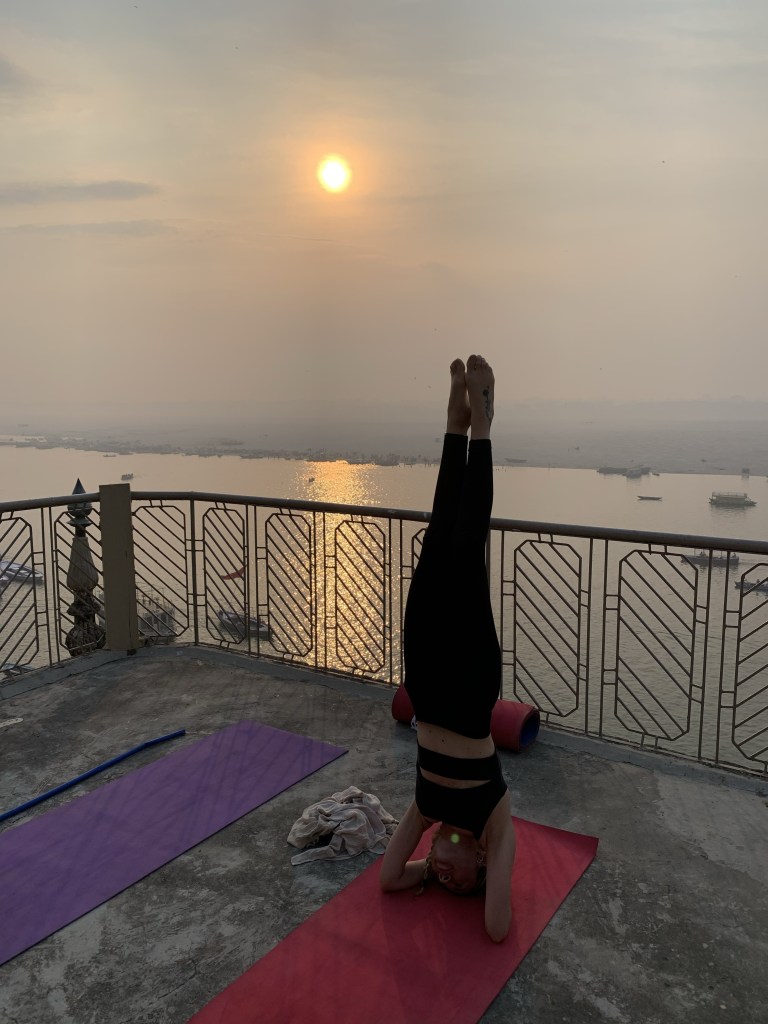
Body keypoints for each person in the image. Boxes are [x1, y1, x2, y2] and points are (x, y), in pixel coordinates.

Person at [380, 354, 515, 943]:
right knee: (467, 544)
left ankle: (454, 427)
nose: (443, 876)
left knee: (438, 537)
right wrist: (490, 864)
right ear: (482, 864)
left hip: (427, 685)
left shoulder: (426, 811)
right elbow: (495, 928)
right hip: (468, 689)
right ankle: (481, 423)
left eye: (442, 881)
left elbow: (389, 879)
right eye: (459, 880)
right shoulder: (494, 820)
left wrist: (427, 877)